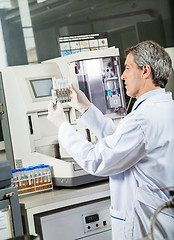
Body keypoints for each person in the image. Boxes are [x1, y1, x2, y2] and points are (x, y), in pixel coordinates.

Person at [47, 40, 174, 240]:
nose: (122, 76)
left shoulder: (142, 119)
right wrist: (86, 108)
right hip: (163, 219)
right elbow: (120, 141)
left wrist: (62, 126)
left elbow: (97, 160)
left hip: (144, 225)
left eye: (127, 68)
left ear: (145, 71)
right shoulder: (165, 108)